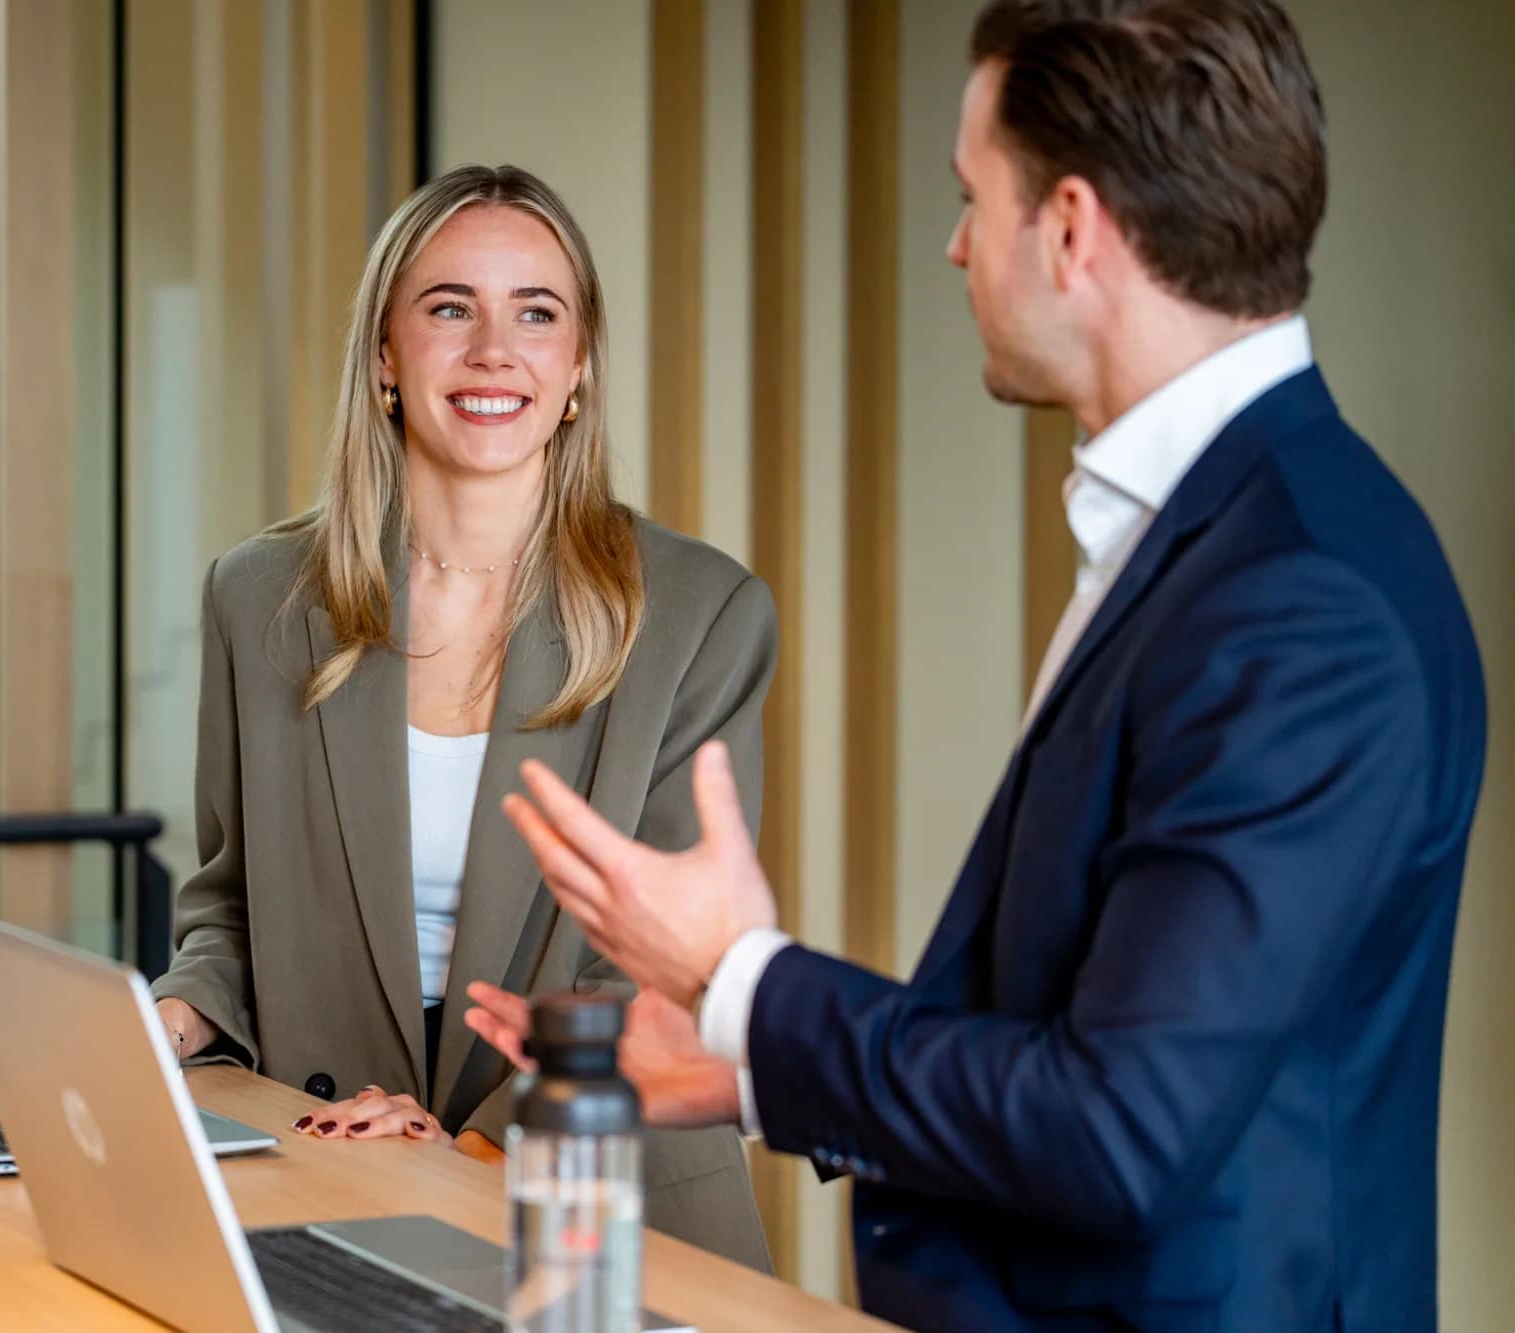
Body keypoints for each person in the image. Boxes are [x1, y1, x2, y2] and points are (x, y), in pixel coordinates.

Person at [467, 2, 1487, 1329]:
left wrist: (746, 981)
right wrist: (750, 1058)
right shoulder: (1234, 536)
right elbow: (1092, 1041)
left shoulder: (1302, 601)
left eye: (971, 200)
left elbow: (1118, 1130)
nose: (953, 247)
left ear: (1070, 229)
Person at [140, 164, 774, 1269]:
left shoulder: (699, 614)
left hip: (595, 1193)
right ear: (385, 355)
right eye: (448, 309)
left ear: (577, 366)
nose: (494, 350)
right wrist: (167, 1021)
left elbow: (661, 979)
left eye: (536, 313)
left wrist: (466, 1147)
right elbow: (230, 910)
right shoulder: (259, 598)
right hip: (329, 1169)